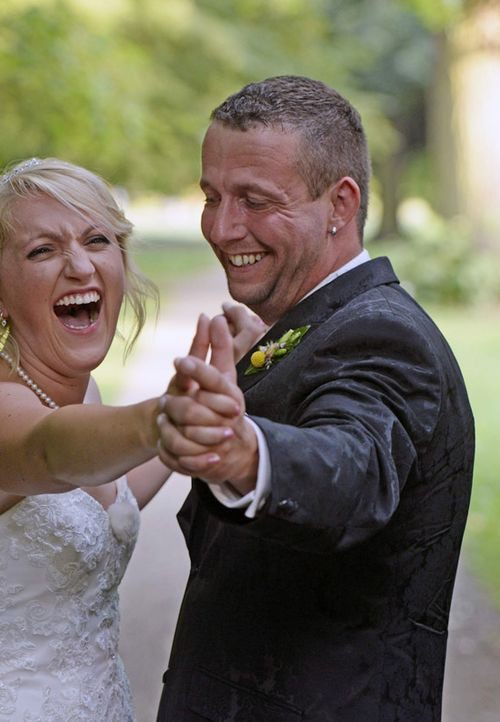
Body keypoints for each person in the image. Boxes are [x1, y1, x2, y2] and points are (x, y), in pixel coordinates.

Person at [155, 76, 476, 720]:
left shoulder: (385, 334)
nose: (221, 227)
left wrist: (245, 454)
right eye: (212, 196)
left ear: (341, 202)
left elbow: (352, 467)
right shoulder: (319, 323)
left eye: (254, 200)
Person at [0, 157, 237, 721]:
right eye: (43, 250)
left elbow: (112, 489)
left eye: (97, 240)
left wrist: (225, 383)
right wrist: (163, 416)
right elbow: (49, 449)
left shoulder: (80, 398)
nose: (80, 265)